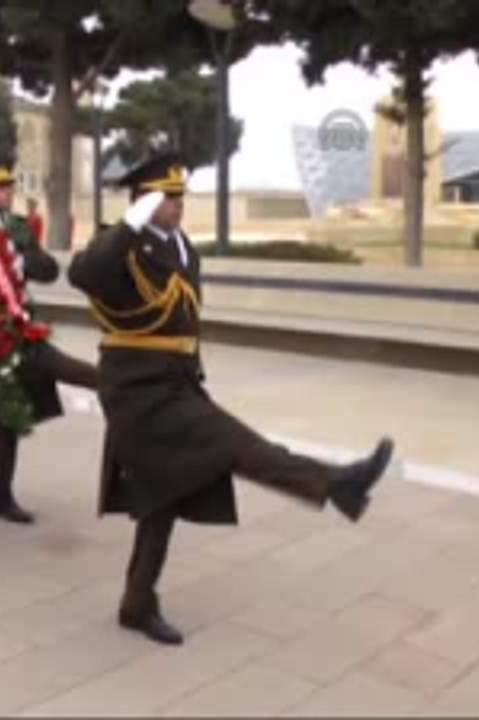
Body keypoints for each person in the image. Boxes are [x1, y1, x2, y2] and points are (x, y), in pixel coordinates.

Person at [68, 153, 394, 647]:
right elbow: (84, 275)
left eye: (180, 197)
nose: (177, 206)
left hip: (174, 383)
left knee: (162, 498)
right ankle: (334, 483)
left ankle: (136, 604)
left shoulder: (181, 248)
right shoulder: (121, 248)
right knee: (236, 445)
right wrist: (130, 222)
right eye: (166, 197)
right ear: (142, 200)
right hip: (135, 390)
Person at [0, 159, 100, 525]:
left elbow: (49, 269)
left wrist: (21, 261)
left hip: (23, 333)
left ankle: (119, 384)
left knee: (66, 370)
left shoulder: (19, 229)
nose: (8, 192)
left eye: (9, 186)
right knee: (7, 418)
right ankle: (0, 496)